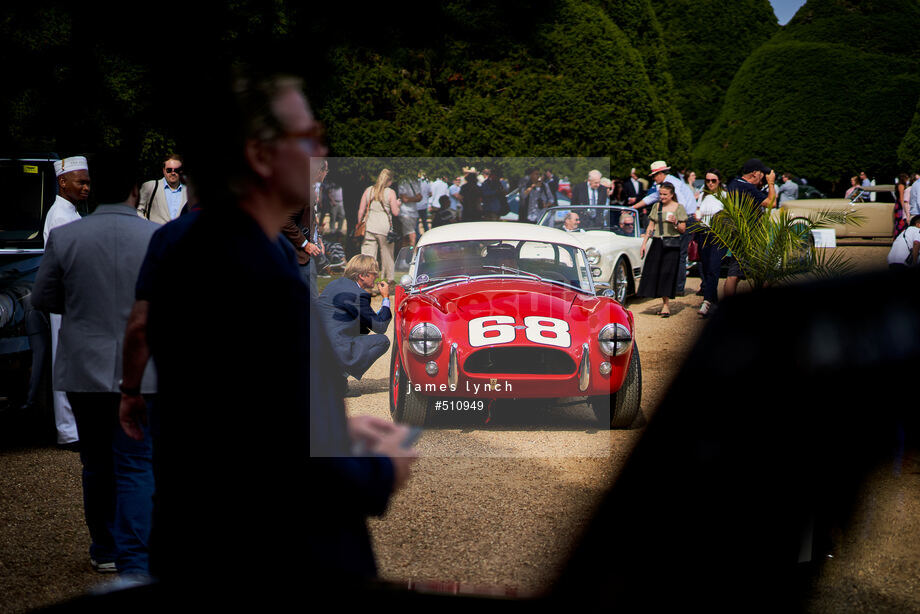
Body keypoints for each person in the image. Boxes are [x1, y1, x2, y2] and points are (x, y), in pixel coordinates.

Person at [118, 71, 416, 595]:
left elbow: (250, 422)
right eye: (307, 136)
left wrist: (339, 436)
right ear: (259, 155)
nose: (321, 148)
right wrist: (380, 467)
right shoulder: (255, 273)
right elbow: (283, 471)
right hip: (277, 564)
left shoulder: (198, 249)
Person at [32, 151, 158, 579]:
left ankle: (104, 547)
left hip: (85, 365)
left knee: (96, 463)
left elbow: (43, 299)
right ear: (135, 192)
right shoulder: (155, 238)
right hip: (142, 369)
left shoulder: (68, 238)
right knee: (137, 462)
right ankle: (135, 553)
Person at [42, 155, 91, 450]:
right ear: (63, 182)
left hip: (72, 297)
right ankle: (68, 431)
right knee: (64, 361)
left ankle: (73, 428)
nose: (86, 187)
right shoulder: (60, 214)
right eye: (80, 182)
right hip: (66, 297)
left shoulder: (70, 211)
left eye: (87, 182)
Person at [318, 255, 392, 395]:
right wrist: (386, 299)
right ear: (362, 276)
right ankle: (338, 377)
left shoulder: (335, 284)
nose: (376, 276)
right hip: (335, 348)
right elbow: (380, 327)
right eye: (374, 273)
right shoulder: (359, 295)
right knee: (383, 341)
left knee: (361, 329)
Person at [636, 160, 698, 296]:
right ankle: (672, 287)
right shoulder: (664, 186)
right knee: (675, 255)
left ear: (661, 174)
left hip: (683, 218)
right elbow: (651, 198)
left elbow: (679, 204)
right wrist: (632, 208)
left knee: (680, 255)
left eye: (654, 175)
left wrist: (674, 219)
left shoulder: (673, 185)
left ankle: (678, 288)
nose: (653, 178)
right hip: (680, 218)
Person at [722, 158, 777, 298]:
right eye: (761, 173)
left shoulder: (734, 183)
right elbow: (772, 203)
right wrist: (771, 183)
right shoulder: (747, 187)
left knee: (733, 275)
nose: (763, 176)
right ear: (754, 173)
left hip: (738, 233)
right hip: (751, 235)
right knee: (768, 273)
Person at [636, 182, 687, 317]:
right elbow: (650, 226)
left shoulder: (678, 207)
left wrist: (676, 222)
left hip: (672, 243)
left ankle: (666, 305)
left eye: (665, 194)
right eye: (661, 194)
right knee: (653, 271)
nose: (662, 197)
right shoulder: (656, 206)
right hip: (658, 242)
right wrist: (644, 244)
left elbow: (683, 229)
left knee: (667, 273)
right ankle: (659, 300)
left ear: (671, 195)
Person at [282, 158, 327, 298]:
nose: (326, 173)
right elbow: (285, 221)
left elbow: (309, 220)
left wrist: (317, 239)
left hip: (307, 253)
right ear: (319, 172)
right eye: (326, 170)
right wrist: (305, 244)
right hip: (300, 255)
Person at [357, 169, 402, 283]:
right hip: (384, 227)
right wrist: (398, 204)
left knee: (368, 256)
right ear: (390, 181)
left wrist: (360, 224)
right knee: (387, 255)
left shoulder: (369, 190)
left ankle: (366, 280)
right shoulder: (390, 192)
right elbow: (395, 212)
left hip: (369, 226)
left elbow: (361, 210)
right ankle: (389, 279)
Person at [695, 169, 728, 317]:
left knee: (714, 267)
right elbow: (698, 212)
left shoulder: (725, 196)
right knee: (706, 267)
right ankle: (713, 302)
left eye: (713, 180)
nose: (709, 183)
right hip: (703, 233)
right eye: (707, 180)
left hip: (718, 235)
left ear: (719, 181)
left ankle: (706, 301)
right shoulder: (703, 195)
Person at [137, 155, 187, 224]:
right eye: (169, 170)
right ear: (164, 170)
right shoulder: (150, 186)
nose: (173, 173)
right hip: (154, 233)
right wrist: (147, 227)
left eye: (176, 170)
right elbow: (138, 211)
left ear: (181, 171)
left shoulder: (188, 191)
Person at [396, 172, 422, 248]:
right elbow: (404, 199)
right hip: (405, 213)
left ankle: (405, 255)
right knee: (412, 235)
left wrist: (409, 199)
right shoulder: (402, 181)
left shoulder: (415, 181)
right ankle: (411, 254)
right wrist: (414, 198)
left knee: (406, 236)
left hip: (413, 213)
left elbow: (419, 197)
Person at [415, 171, 432, 235]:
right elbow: (430, 193)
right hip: (424, 205)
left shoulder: (415, 182)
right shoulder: (427, 182)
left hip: (417, 205)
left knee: (416, 224)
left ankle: (418, 237)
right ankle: (427, 235)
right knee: (425, 222)